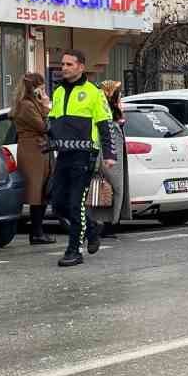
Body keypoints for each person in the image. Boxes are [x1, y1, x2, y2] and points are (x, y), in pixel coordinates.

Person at [46, 50, 116, 267]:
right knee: (58, 204)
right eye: (63, 64)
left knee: (76, 203)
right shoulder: (57, 92)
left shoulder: (94, 93)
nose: (64, 68)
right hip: (63, 154)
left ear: (80, 67)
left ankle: (74, 250)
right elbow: (54, 121)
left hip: (84, 155)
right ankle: (92, 229)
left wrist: (109, 154)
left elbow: (106, 124)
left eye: (69, 64)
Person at [12, 72, 55, 245]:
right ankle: (36, 232)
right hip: (33, 150)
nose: (44, 92)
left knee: (42, 191)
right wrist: (46, 105)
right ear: (33, 88)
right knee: (36, 191)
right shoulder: (26, 106)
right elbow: (44, 126)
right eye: (41, 88)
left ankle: (38, 231)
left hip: (39, 149)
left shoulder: (31, 103)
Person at [95, 80, 129, 243]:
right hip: (109, 158)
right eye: (118, 93)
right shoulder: (104, 111)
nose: (120, 97)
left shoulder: (115, 111)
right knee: (111, 189)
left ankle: (111, 223)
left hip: (115, 157)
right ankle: (107, 225)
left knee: (116, 190)